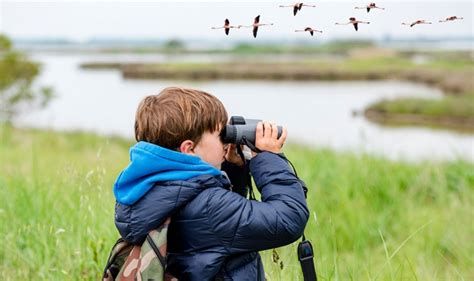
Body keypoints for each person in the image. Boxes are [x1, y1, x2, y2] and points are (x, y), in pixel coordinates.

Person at [113, 86, 309, 280]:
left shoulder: (152, 190)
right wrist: (267, 157)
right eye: (220, 135)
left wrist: (234, 168)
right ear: (189, 149)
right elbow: (289, 219)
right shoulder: (209, 206)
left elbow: (220, 227)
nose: (226, 141)